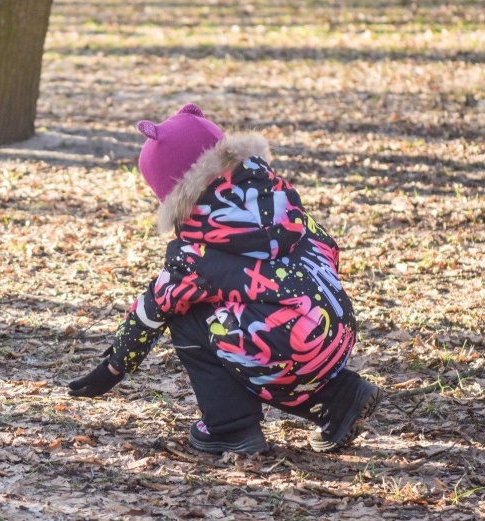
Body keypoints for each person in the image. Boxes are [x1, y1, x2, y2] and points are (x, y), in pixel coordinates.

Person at [68, 104, 381, 454]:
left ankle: (229, 427)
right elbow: (328, 250)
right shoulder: (281, 202)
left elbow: (155, 306)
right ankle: (341, 397)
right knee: (254, 321)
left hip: (287, 346)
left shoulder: (196, 246)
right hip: (337, 330)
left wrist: (113, 367)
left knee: (186, 314)